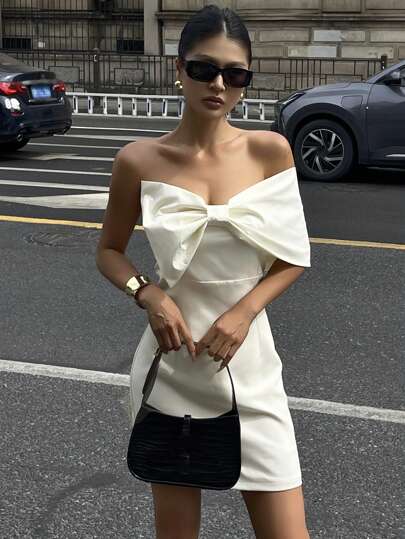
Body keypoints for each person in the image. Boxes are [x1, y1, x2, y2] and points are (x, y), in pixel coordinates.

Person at [96, 4, 312, 539]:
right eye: (204, 69)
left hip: (250, 365)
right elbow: (110, 251)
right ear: (179, 68)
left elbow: (293, 257)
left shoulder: (269, 151)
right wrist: (148, 294)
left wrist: (244, 312)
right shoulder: (139, 160)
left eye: (235, 74)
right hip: (173, 366)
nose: (219, 84)